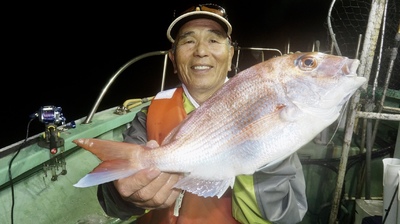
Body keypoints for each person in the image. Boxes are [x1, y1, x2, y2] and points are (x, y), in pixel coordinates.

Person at [97, 3, 307, 224]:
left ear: (230, 55)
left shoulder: (266, 113)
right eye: (188, 41)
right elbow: (112, 204)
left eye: (214, 40)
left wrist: (265, 162)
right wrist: (125, 197)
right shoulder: (148, 116)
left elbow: (290, 216)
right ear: (173, 60)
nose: (201, 51)